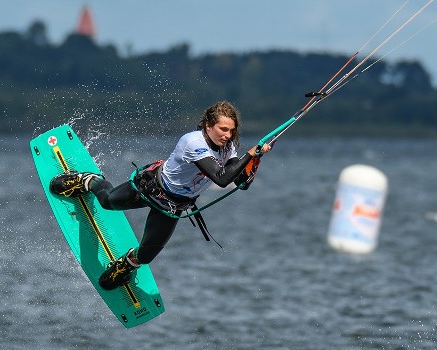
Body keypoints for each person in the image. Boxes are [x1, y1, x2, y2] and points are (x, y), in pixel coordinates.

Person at [50, 101, 271, 290]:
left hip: (173, 206)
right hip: (151, 188)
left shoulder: (227, 148)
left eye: (231, 131)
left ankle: (125, 265)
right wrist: (250, 154)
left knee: (146, 255)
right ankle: (88, 180)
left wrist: (254, 161)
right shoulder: (193, 142)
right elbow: (221, 179)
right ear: (208, 126)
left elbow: (239, 182)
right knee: (107, 201)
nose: (228, 135)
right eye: (223, 129)